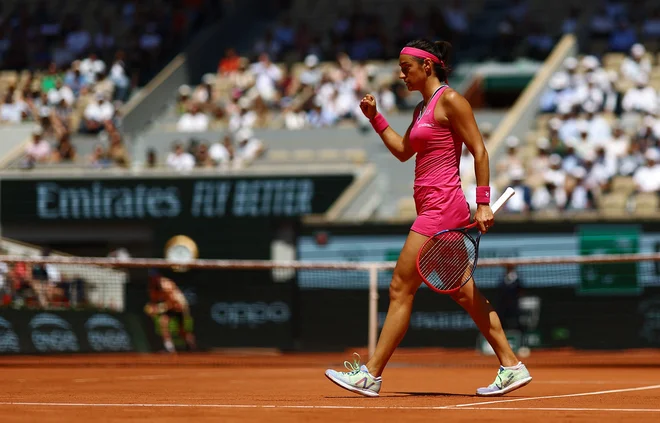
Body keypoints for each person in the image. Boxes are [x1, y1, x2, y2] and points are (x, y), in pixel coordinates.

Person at [324, 39, 532, 397]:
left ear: (427, 67)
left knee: (399, 287)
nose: (401, 74)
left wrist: (483, 202)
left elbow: (479, 151)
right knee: (465, 295)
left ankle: (370, 375)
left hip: (442, 209)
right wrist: (376, 118)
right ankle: (512, 365)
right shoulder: (422, 108)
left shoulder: (451, 100)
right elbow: (404, 151)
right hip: (433, 209)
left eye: (406, 67)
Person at [144, 270, 196, 353]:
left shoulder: (166, 285)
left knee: (182, 331)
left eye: (154, 277)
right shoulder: (152, 288)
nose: (153, 279)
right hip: (168, 308)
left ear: (158, 277)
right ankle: (169, 348)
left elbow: (173, 302)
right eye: (151, 278)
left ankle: (191, 346)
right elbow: (154, 301)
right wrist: (151, 308)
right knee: (163, 323)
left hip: (179, 307)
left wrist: (159, 308)